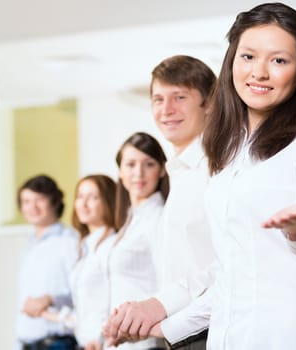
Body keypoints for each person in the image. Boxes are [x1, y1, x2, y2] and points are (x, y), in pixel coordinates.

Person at [149, 3, 296, 349]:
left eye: (279, 60)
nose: (259, 72)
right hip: (229, 336)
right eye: (248, 57)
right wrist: (169, 328)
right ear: (232, 61)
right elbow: (232, 275)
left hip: (291, 335)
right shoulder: (227, 147)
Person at [104, 56, 217, 350]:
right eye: (158, 99)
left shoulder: (216, 171)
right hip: (179, 333)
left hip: (209, 332)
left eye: (180, 97)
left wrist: (158, 307)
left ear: (209, 104)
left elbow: (231, 265)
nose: (166, 110)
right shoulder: (179, 175)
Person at [105, 132, 169, 350]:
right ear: (120, 172)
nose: (138, 173)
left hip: (146, 343)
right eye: (130, 164)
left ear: (162, 169)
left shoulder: (159, 218)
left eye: (148, 164)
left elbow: (167, 283)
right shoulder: (130, 220)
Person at [41, 174, 117, 350]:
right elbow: (86, 312)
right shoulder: (85, 247)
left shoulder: (112, 246)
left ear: (109, 201)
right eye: (80, 197)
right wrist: (49, 315)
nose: (83, 204)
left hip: (105, 345)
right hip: (85, 343)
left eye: (93, 197)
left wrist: (101, 338)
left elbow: (112, 304)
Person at [15, 175, 78, 350]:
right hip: (27, 343)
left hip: (58, 343)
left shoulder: (70, 241)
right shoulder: (29, 245)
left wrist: (50, 299)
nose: (32, 207)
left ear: (55, 202)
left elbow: (82, 291)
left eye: (39, 200)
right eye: (26, 201)